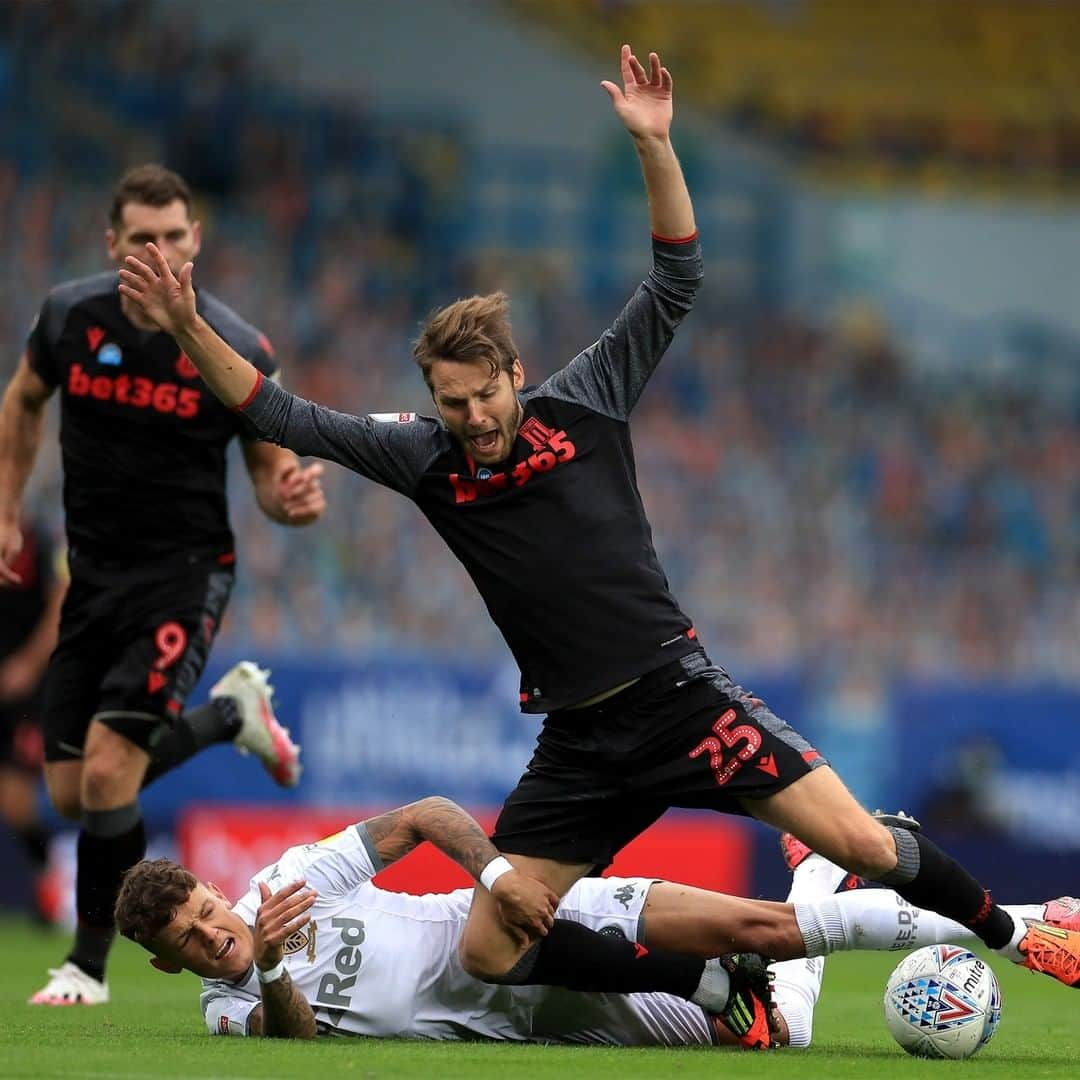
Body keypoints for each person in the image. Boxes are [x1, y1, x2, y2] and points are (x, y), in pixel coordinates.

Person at [116, 43, 1080, 1013]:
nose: (474, 419)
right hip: (581, 741)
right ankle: (710, 986)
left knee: (866, 845)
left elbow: (676, 280)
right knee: (493, 946)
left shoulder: (586, 403)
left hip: (675, 696)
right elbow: (283, 416)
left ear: (514, 375)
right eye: (452, 403)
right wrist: (191, 326)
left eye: (485, 396)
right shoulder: (421, 455)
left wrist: (656, 146)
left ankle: (1019, 932)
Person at [0, 164, 328, 1006]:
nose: (161, 251)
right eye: (143, 238)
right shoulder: (71, 317)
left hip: (184, 579)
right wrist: (6, 509)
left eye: (175, 237)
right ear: (113, 244)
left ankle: (86, 965)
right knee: (72, 792)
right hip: (92, 580)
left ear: (196, 241)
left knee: (110, 772)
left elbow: (271, 475)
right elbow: (25, 400)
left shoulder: (236, 347)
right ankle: (229, 716)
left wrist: (290, 500)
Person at [115, 798, 1079, 1048]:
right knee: (781, 1031)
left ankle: (1038, 921)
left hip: (533, 916)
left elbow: (425, 817)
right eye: (192, 944)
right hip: (545, 1008)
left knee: (766, 932)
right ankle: (823, 867)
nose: (215, 934)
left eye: (206, 910)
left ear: (210, 888)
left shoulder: (290, 879)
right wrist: (272, 970)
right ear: (168, 967)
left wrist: (500, 875)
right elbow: (300, 1039)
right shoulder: (226, 1015)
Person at [0, 516, 65, 920]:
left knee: (16, 800)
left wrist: (28, 664)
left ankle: (49, 876)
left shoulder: (35, 542)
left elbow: (62, 602)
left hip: (24, 691)